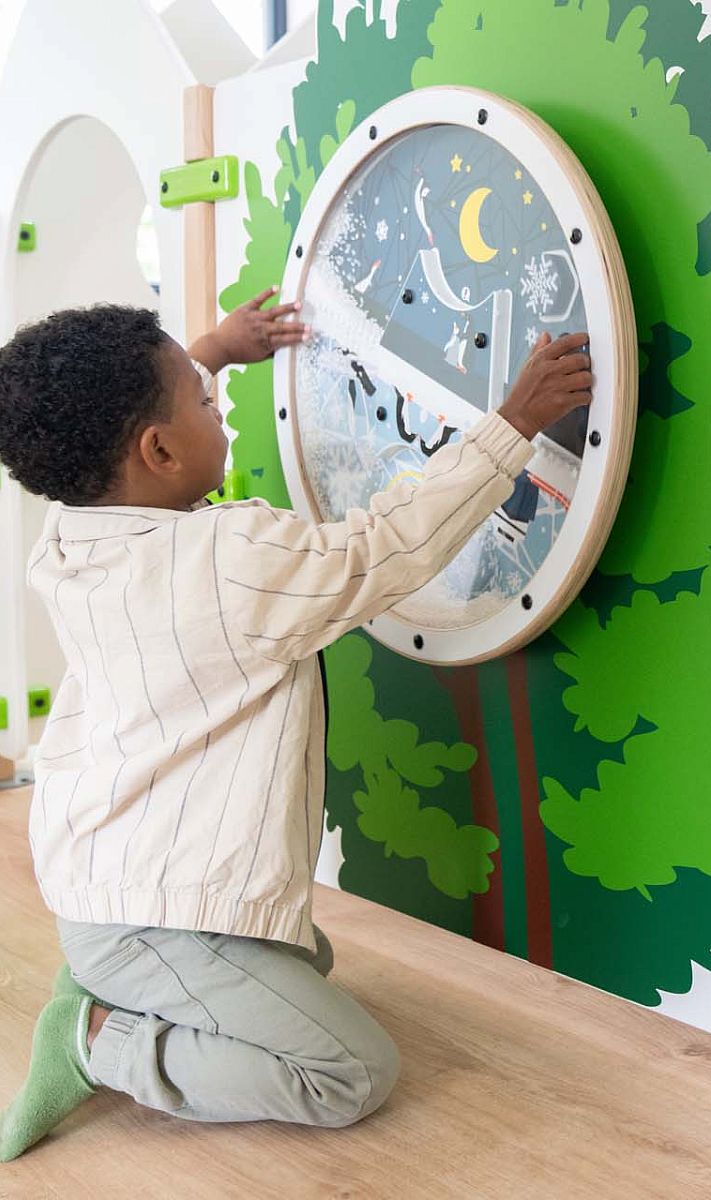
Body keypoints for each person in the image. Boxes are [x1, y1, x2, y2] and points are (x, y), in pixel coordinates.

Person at [0, 291, 591, 1157]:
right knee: (350, 1073)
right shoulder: (226, 565)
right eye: (203, 402)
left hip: (107, 871)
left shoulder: (74, 533)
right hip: (153, 913)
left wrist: (211, 350)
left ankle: (120, 981)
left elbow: (142, 426)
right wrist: (511, 425)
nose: (218, 410)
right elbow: (380, 550)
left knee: (306, 963)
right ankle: (98, 1041)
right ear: (157, 450)